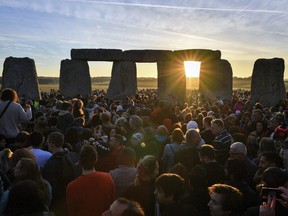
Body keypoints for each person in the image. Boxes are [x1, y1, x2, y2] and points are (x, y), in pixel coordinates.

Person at [66, 144, 116, 216]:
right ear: (95, 159)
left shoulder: (72, 186)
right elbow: (112, 204)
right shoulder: (107, 178)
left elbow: (72, 212)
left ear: (80, 161)